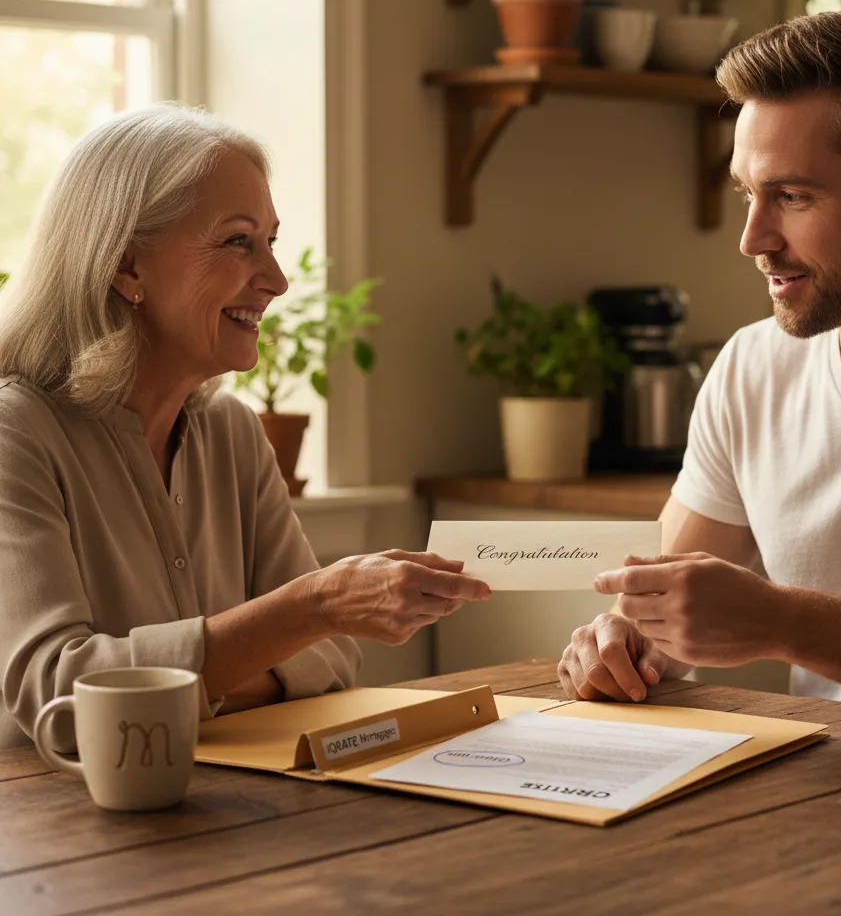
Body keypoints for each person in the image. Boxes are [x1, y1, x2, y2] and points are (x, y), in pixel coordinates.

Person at [559, 8, 841, 723]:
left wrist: (786, 623)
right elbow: (665, 610)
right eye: (750, 193)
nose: (752, 238)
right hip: (825, 797)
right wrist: (621, 643)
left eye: (793, 196)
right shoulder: (752, 367)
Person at [0, 104, 490, 751]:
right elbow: (57, 694)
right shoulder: (18, 433)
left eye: (271, 241)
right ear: (127, 267)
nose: (278, 281)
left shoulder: (231, 432)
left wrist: (200, 679)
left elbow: (336, 658)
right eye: (238, 241)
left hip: (231, 812)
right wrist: (308, 610)